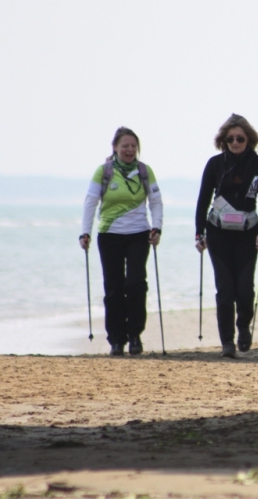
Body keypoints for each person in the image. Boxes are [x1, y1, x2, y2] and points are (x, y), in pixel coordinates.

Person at [195, 114, 258, 359]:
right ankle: (227, 341)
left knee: (245, 290)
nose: (235, 142)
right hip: (218, 234)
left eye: (240, 138)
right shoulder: (215, 163)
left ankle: (243, 327)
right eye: (230, 139)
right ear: (223, 141)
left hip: (247, 234)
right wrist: (199, 232)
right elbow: (203, 199)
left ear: (248, 139)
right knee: (225, 289)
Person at [80, 127, 163, 356]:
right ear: (115, 148)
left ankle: (135, 334)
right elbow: (90, 203)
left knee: (136, 284)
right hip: (109, 235)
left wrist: (157, 227)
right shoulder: (103, 172)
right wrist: (84, 233)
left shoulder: (145, 171)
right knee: (114, 287)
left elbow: (156, 202)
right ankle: (116, 340)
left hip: (139, 234)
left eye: (133, 146)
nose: (129, 150)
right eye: (125, 146)